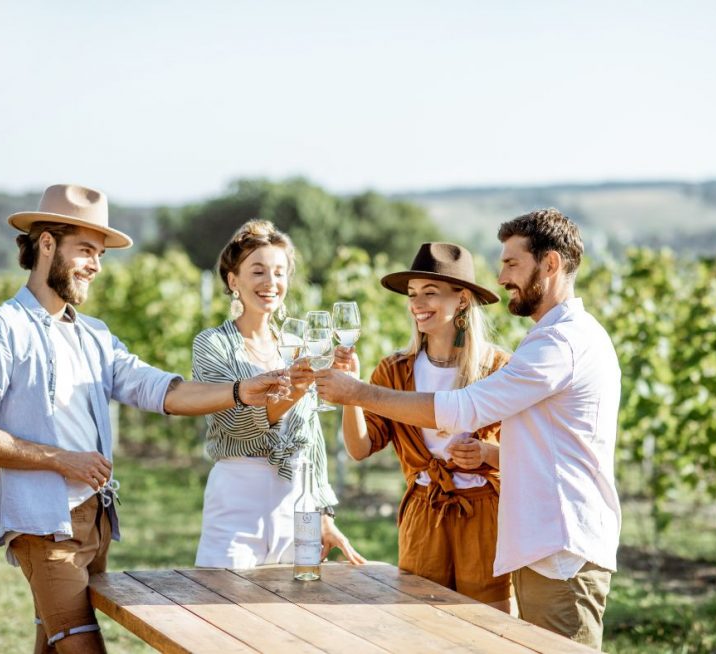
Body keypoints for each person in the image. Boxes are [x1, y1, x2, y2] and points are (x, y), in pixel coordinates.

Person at [0, 184, 287, 654]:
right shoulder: (4, 329)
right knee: (81, 644)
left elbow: (158, 389)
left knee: (52, 641)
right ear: (45, 243)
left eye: (101, 254)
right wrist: (61, 459)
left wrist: (239, 392)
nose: (96, 265)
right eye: (85, 250)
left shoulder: (94, 335)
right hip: (46, 525)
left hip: (96, 520)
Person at [315, 209, 621, 650]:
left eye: (512, 264)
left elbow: (464, 408)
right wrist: (358, 393)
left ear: (550, 264)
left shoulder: (556, 343)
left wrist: (357, 392)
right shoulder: (552, 337)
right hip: (538, 539)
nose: (502, 277)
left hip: (558, 543)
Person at [328, 242, 514, 612]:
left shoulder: (498, 368)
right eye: (413, 295)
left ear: (461, 300)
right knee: (421, 624)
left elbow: (528, 452)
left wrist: (486, 453)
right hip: (424, 514)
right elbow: (359, 449)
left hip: (483, 516)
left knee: (490, 629)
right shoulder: (395, 371)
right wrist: (352, 392)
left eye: (430, 293)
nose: (417, 303)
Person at [192, 219, 365, 569]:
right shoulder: (212, 345)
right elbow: (235, 423)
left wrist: (324, 513)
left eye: (279, 272)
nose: (271, 283)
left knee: (292, 614)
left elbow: (311, 439)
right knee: (221, 609)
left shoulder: (299, 347)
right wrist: (296, 392)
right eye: (258, 271)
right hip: (238, 498)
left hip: (296, 503)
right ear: (232, 281)